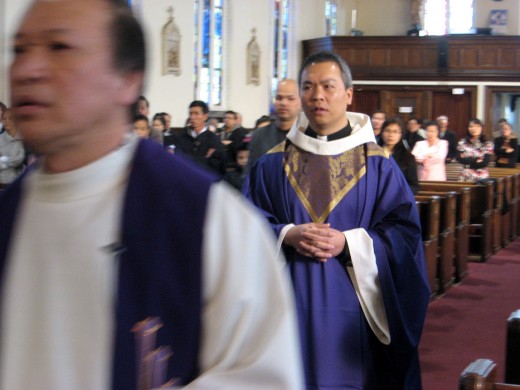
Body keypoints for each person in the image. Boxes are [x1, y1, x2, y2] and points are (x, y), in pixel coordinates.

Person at [1, 1, 304, 389]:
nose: (27, 70)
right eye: (20, 50)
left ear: (127, 79)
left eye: (59, 47)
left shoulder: (211, 220)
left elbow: (262, 378)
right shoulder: (9, 216)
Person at [245, 50, 430, 389]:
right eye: (308, 87)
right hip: (286, 310)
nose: (317, 95)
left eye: (328, 86)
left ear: (348, 94)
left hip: (356, 315)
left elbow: (404, 236)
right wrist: (285, 234)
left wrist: (350, 242)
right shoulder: (270, 166)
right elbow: (244, 226)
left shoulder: (379, 166)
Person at [247, 78, 301, 171]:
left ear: (301, 102)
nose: (283, 103)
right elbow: (250, 174)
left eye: (290, 98)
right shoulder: (259, 136)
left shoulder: (311, 136)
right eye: (279, 98)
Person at [172, 100, 226, 175]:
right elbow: (178, 160)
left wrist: (189, 159)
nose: (192, 117)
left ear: (205, 116)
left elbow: (216, 165)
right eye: (190, 114)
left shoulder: (214, 139)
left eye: (196, 114)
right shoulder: (182, 137)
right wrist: (205, 158)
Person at [379, 117, 419, 194]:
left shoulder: (408, 157)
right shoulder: (373, 154)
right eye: (387, 131)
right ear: (382, 132)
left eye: (395, 131)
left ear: (401, 134)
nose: (391, 135)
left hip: (398, 199)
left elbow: (414, 185)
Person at [0, 108, 26, 187]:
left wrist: (3, 161)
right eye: (4, 119)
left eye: (10, 119)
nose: (7, 121)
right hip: (2, 182)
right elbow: (17, 159)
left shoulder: (25, 138)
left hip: (21, 182)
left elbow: (20, 159)